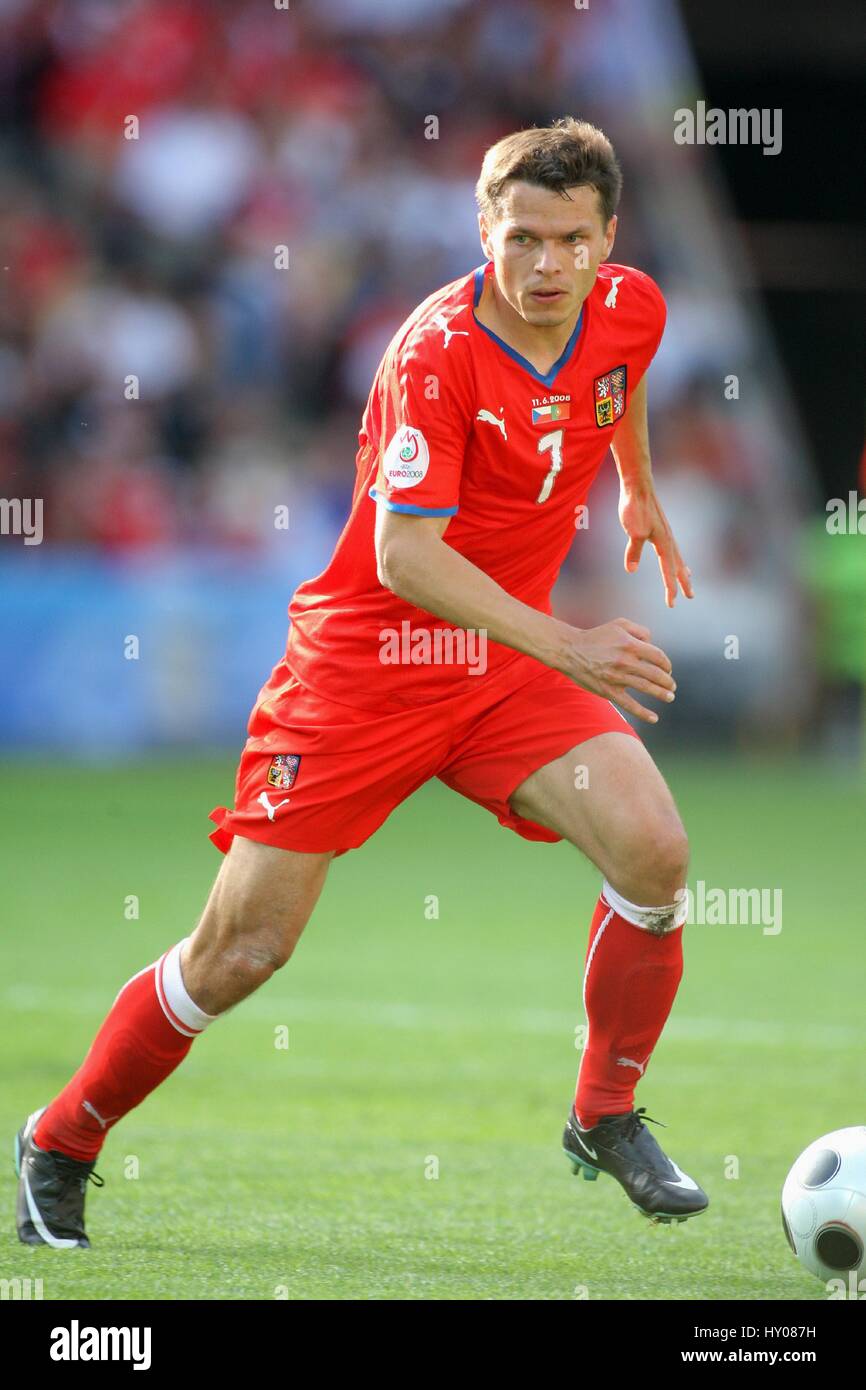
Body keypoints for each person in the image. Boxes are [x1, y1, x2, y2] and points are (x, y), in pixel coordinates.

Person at [15, 117, 706, 1250]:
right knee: (240, 952)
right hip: (365, 672)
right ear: (483, 230)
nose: (543, 265)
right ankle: (62, 1136)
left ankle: (604, 1112)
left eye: (567, 241)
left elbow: (614, 375)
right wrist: (571, 643)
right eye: (519, 237)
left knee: (655, 853)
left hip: (501, 666)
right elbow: (404, 558)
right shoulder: (432, 354)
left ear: (604, 239)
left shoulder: (629, 304)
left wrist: (634, 486)